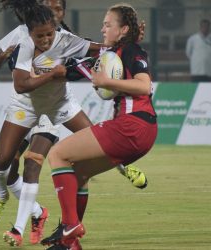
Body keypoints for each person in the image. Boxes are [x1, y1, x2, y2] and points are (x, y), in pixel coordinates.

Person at [0, 1, 146, 248]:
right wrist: (50, 73)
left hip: (59, 105)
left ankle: (124, 167)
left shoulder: (65, 39)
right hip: (25, 105)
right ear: (30, 32)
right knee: (3, 160)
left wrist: (131, 38)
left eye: (50, 33)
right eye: (41, 35)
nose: (47, 39)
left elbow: (101, 48)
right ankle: (2, 195)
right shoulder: (23, 39)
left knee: (93, 141)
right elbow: (20, 84)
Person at [41, 3, 157, 249]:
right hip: (143, 132)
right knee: (79, 173)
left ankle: (70, 225)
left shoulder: (130, 51)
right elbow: (77, 66)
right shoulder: (114, 52)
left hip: (131, 126)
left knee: (58, 154)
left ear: (123, 29)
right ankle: (68, 242)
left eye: (108, 24)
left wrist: (106, 81)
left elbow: (144, 85)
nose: (103, 28)